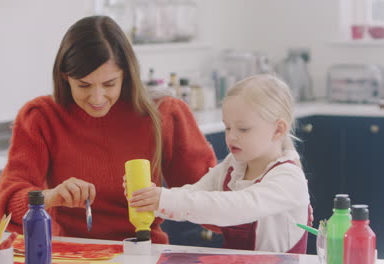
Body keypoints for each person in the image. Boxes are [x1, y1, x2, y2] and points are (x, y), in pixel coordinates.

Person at [0, 15, 216, 244]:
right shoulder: (40, 116)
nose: (97, 98)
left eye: (109, 84)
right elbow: (7, 207)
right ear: (65, 78)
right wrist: (50, 197)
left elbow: (212, 203)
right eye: (83, 85)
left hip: (144, 252)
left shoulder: (164, 114)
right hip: (70, 254)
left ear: (125, 75)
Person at [126, 74, 311, 253]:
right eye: (227, 127)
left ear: (278, 130)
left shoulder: (288, 178)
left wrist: (164, 199)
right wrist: (150, 200)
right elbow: (194, 193)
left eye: (243, 129)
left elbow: (235, 207)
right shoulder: (233, 166)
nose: (231, 136)